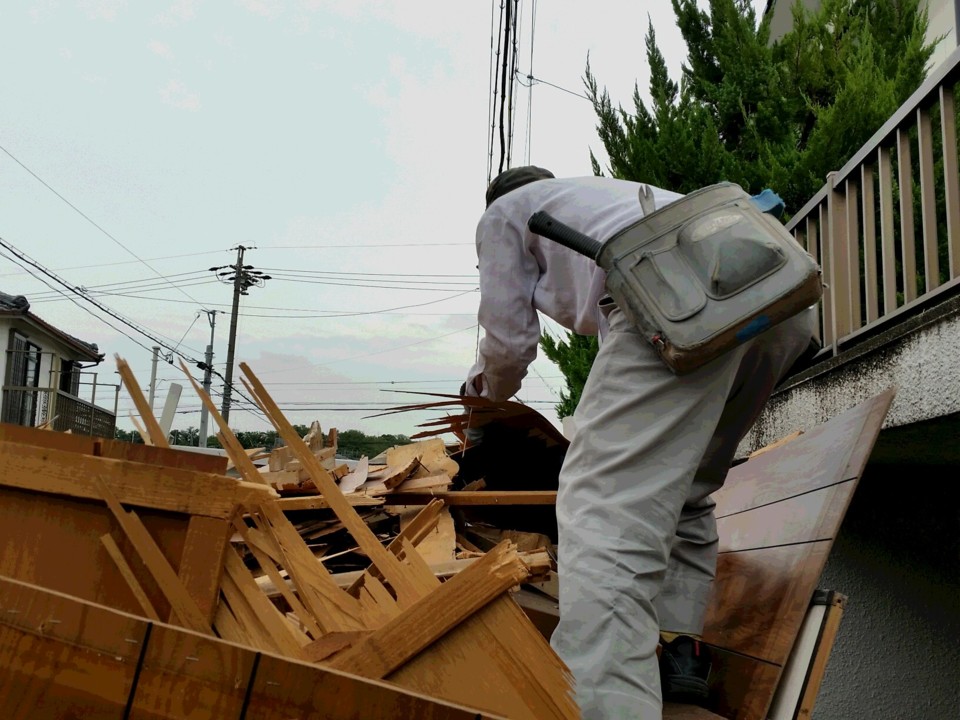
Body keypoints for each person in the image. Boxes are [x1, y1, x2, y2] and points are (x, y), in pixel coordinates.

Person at [461, 166, 818, 719]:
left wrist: (479, 397)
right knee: (687, 492)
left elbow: (508, 345)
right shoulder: (604, 200)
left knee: (605, 507)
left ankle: (607, 707)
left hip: (686, 304)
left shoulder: (504, 214)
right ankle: (681, 653)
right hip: (779, 296)